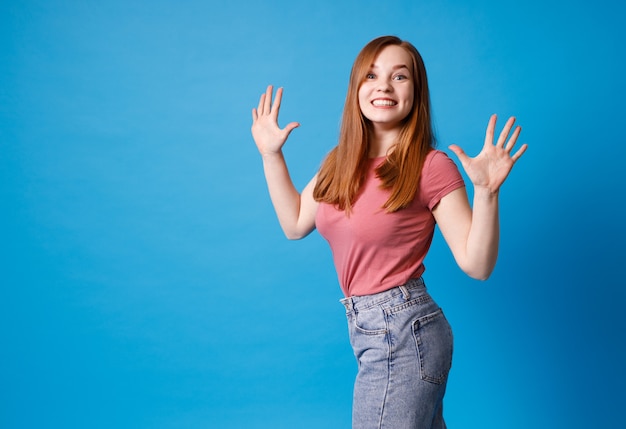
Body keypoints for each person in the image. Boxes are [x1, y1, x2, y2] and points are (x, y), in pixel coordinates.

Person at [251, 35, 526, 429]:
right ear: (357, 89)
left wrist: (486, 193)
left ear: (416, 92)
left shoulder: (430, 166)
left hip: (403, 331)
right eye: (372, 75)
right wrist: (271, 155)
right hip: (372, 331)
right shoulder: (339, 162)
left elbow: (477, 264)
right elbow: (295, 222)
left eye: (400, 76)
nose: (383, 86)